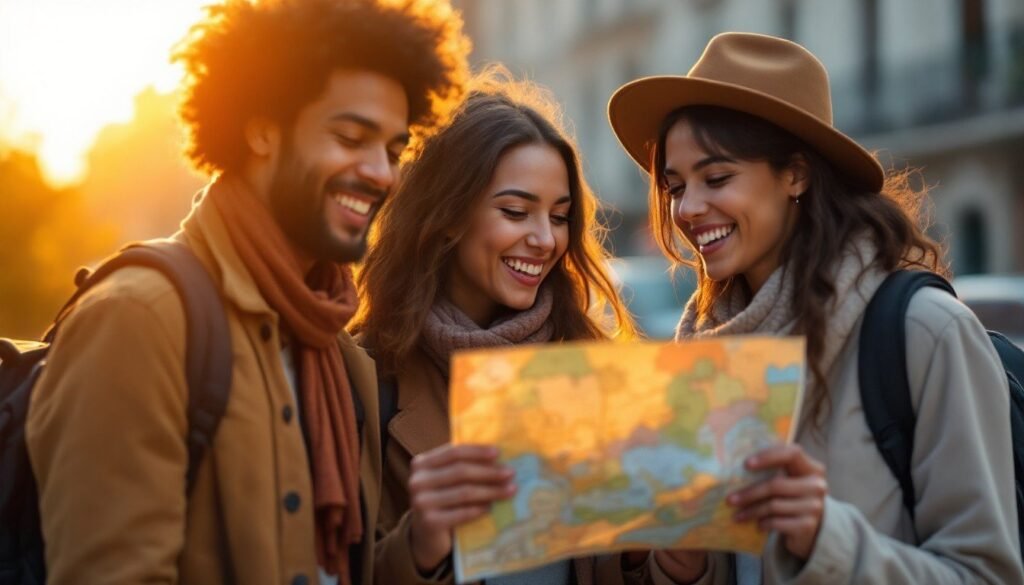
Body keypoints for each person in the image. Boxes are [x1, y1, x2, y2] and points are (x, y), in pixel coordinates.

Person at [25, 1, 469, 584]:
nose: (383, 174)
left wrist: (419, 545)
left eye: (391, 151)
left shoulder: (341, 355)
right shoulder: (139, 317)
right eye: (350, 137)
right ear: (261, 128)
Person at [607, 32, 1023, 584]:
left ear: (796, 174)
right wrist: (684, 562)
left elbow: (988, 574)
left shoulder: (924, 331)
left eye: (718, 178)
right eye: (675, 185)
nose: (686, 208)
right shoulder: (703, 353)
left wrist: (825, 538)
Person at [349, 71, 669, 584]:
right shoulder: (361, 376)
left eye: (560, 217)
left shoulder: (596, 368)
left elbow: (635, 572)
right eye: (516, 211)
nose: (544, 239)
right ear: (448, 215)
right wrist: (421, 543)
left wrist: (648, 546)